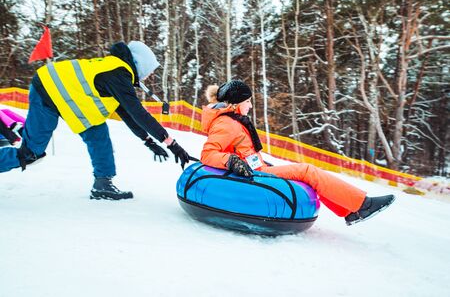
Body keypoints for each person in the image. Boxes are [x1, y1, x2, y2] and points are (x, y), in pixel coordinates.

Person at [0, 41, 195, 200]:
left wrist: (148, 141)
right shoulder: (118, 72)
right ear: (139, 63)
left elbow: (127, 115)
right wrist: (172, 144)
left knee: (98, 132)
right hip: (47, 90)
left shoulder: (116, 72)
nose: (150, 74)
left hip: (69, 99)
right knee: (30, 154)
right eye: (149, 69)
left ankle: (103, 183)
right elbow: (138, 113)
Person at [200, 80, 395, 225]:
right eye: (248, 101)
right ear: (235, 103)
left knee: (304, 176)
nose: (250, 105)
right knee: (307, 171)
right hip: (253, 174)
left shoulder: (232, 120)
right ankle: (362, 205)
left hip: (257, 167)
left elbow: (242, 149)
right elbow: (208, 154)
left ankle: (349, 210)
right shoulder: (226, 123)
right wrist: (231, 161)